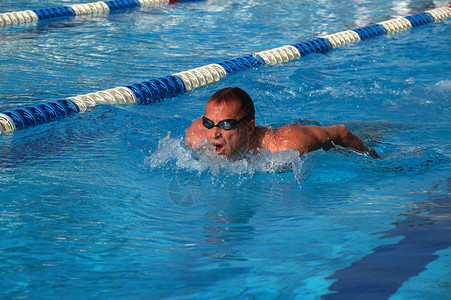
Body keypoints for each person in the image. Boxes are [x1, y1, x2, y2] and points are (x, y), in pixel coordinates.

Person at [185, 87, 378, 158]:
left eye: (226, 124)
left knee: (374, 134)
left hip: (304, 130)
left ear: (249, 126)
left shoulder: (286, 145)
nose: (214, 134)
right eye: (209, 123)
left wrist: (373, 157)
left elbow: (341, 132)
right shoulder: (197, 137)